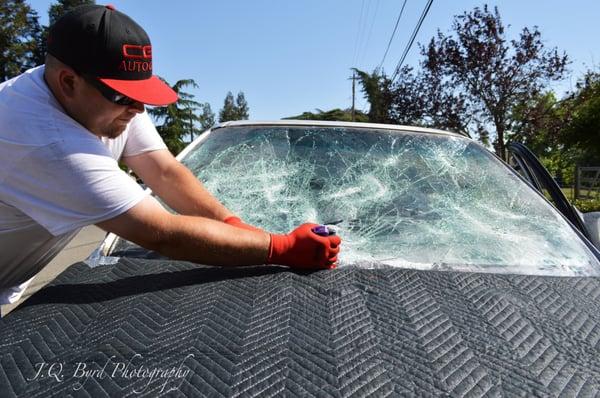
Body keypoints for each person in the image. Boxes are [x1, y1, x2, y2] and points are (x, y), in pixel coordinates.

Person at [0, 5, 341, 305]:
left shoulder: (99, 102)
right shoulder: (47, 143)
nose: (138, 109)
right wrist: (280, 248)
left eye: (140, 93)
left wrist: (234, 226)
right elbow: (162, 233)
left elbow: (164, 172)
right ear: (69, 82)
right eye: (124, 96)